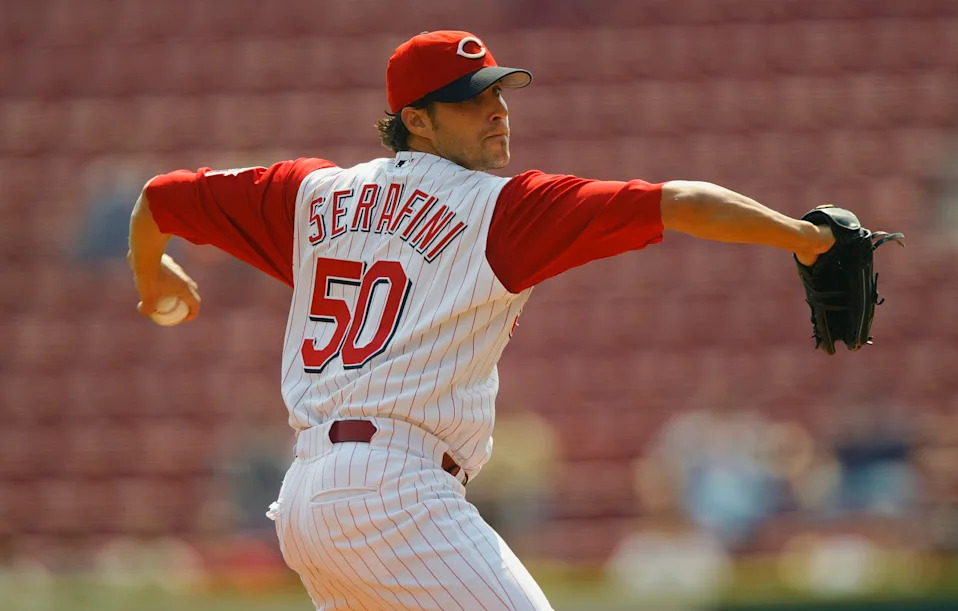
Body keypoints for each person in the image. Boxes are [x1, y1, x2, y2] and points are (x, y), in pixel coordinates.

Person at [128, 30, 835, 610]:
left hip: (312, 497)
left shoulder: (309, 195)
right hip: (395, 491)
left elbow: (159, 199)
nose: (497, 109)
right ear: (416, 119)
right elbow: (679, 201)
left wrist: (151, 275)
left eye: (498, 92)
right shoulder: (501, 209)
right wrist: (807, 240)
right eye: (470, 100)